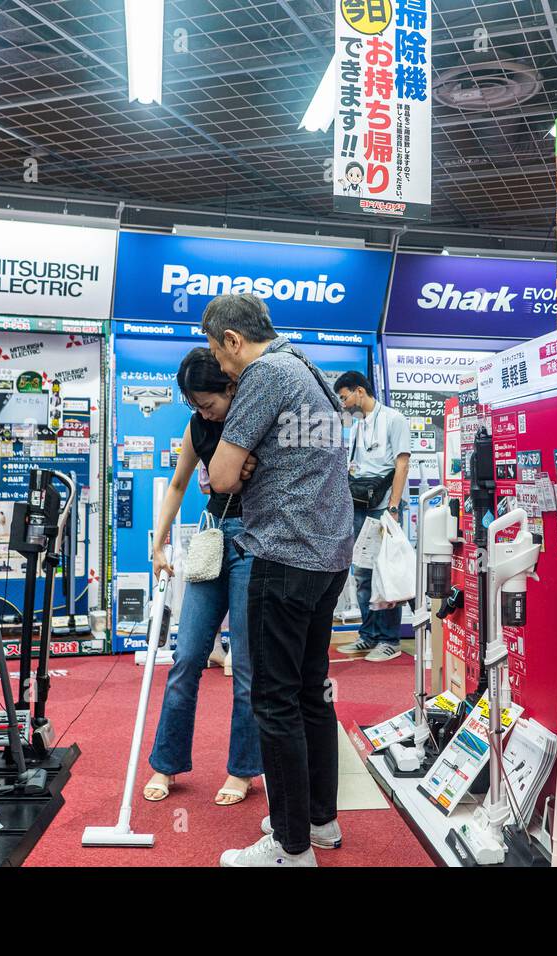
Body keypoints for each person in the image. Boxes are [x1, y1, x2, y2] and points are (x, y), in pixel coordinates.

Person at [203, 293, 354, 867]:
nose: (219, 365)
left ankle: (291, 850)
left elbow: (218, 476)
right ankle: (319, 823)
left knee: (274, 701)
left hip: (285, 555)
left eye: (219, 350)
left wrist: (233, 472)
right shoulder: (309, 370)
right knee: (311, 693)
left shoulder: (264, 375)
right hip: (327, 556)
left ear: (233, 339)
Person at [142, 348, 263, 808]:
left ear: (231, 386)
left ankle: (243, 770)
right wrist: (159, 544)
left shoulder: (258, 417)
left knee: (248, 668)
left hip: (255, 544)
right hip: (212, 537)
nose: (202, 410)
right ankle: (166, 762)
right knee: (187, 656)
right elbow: (177, 483)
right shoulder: (198, 427)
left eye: (206, 401)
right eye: (194, 404)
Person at [335, 370, 411, 662]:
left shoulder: (394, 419)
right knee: (363, 572)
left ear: (360, 392)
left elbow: (401, 464)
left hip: (384, 505)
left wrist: (393, 506)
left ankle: (389, 640)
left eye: (345, 397)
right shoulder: (356, 427)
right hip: (359, 504)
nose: (343, 404)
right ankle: (367, 636)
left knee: (385, 571)